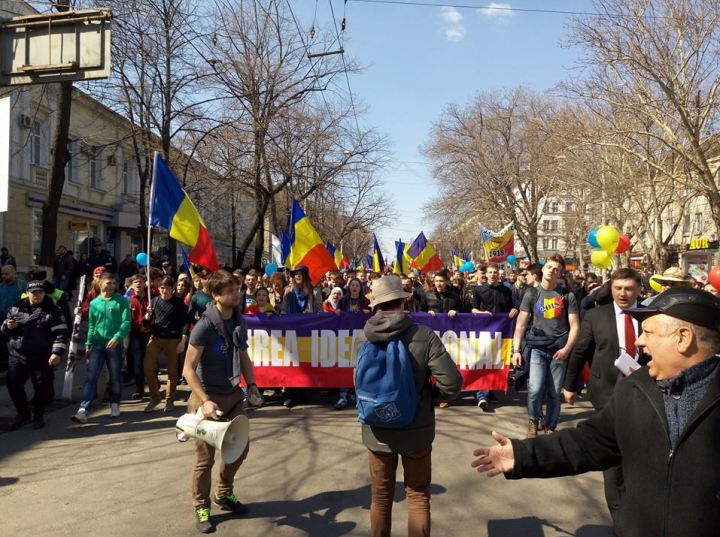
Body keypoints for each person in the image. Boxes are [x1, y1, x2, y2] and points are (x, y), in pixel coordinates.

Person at [471, 286, 720, 537]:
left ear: (683, 338)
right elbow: (590, 443)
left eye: (648, 332)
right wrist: (522, 455)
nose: (639, 341)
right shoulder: (635, 388)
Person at [355, 276, 463, 537]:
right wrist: (434, 397)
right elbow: (452, 382)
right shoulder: (423, 335)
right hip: (417, 429)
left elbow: (358, 382)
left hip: (377, 430)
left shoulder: (362, 338)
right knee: (417, 496)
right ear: (404, 301)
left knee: (380, 498)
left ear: (376, 305)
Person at [562, 267, 647, 522]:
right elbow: (580, 352)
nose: (623, 293)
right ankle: (620, 517)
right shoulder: (596, 316)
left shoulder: (649, 315)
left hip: (642, 391)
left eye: (629, 288)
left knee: (635, 450)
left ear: (639, 290)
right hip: (606, 392)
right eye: (618, 288)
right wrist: (569, 386)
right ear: (611, 288)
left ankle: (636, 504)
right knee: (612, 454)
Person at [182, 270, 263, 534]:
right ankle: (201, 507)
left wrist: (251, 385)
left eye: (237, 289)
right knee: (205, 460)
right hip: (208, 398)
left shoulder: (239, 320)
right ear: (216, 295)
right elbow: (188, 369)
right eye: (230, 291)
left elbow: (244, 355)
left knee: (239, 449)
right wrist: (203, 401)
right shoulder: (205, 325)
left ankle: (224, 492)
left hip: (233, 395)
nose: (236, 294)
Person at [511, 254, 580, 437]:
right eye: (549, 267)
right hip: (537, 349)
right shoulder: (531, 294)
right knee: (534, 389)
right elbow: (521, 324)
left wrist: (566, 349)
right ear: (542, 268)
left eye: (556, 269)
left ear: (560, 273)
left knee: (554, 393)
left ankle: (550, 426)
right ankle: (533, 421)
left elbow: (575, 327)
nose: (552, 271)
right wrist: (516, 350)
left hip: (559, 350)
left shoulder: (567, 296)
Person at [2, 280, 68, 430]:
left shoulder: (53, 310)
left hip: (42, 355)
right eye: (33, 292)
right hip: (18, 354)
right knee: (13, 384)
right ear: (27, 293)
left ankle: (38, 415)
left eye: (40, 292)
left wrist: (56, 352)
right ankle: (23, 413)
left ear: (44, 293)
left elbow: (61, 333)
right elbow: (4, 329)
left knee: (41, 387)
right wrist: (8, 326)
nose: (36, 295)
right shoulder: (16, 308)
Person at [71, 273, 130, 423]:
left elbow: (126, 323)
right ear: (100, 284)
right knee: (91, 377)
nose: (111, 286)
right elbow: (92, 325)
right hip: (97, 344)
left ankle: (115, 403)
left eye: (113, 283)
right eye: (108, 283)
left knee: (115, 376)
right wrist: (88, 344)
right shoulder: (94, 303)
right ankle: (83, 410)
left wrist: (117, 337)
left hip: (114, 345)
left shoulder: (121, 301)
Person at [471, 263, 518, 411]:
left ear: (499, 274)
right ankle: (482, 395)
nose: (492, 275)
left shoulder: (506, 290)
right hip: (484, 331)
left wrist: (513, 310)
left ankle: (490, 391)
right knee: (484, 361)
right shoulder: (479, 290)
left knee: (496, 362)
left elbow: (512, 307)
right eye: (490, 272)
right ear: (486, 274)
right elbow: (472, 308)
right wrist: (480, 313)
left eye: (495, 272)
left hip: (501, 332)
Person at [143, 276, 188, 412]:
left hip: (173, 339)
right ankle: (155, 397)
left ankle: (169, 399)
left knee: (172, 371)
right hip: (156, 338)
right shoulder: (154, 301)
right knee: (148, 367)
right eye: (162, 288)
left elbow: (185, 322)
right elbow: (145, 323)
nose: (164, 291)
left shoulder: (179, 303)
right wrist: (147, 315)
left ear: (172, 289)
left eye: (167, 288)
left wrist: (183, 340)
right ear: (158, 288)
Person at [127, 275, 151, 400]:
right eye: (135, 282)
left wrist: (149, 326)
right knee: (137, 362)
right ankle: (139, 386)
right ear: (132, 285)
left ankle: (154, 384)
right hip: (136, 335)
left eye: (140, 282)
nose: (138, 284)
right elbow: (128, 319)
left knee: (151, 361)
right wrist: (138, 327)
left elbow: (155, 316)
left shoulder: (150, 299)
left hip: (149, 335)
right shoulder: (129, 300)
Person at [0, 265, 27, 372]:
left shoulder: (22, 284)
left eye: (6, 274)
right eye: (2, 274)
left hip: (18, 317)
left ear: (14, 273)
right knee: (2, 340)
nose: (4, 276)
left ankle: (20, 363)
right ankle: (3, 363)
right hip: (2, 316)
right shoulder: (1, 286)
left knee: (16, 340)